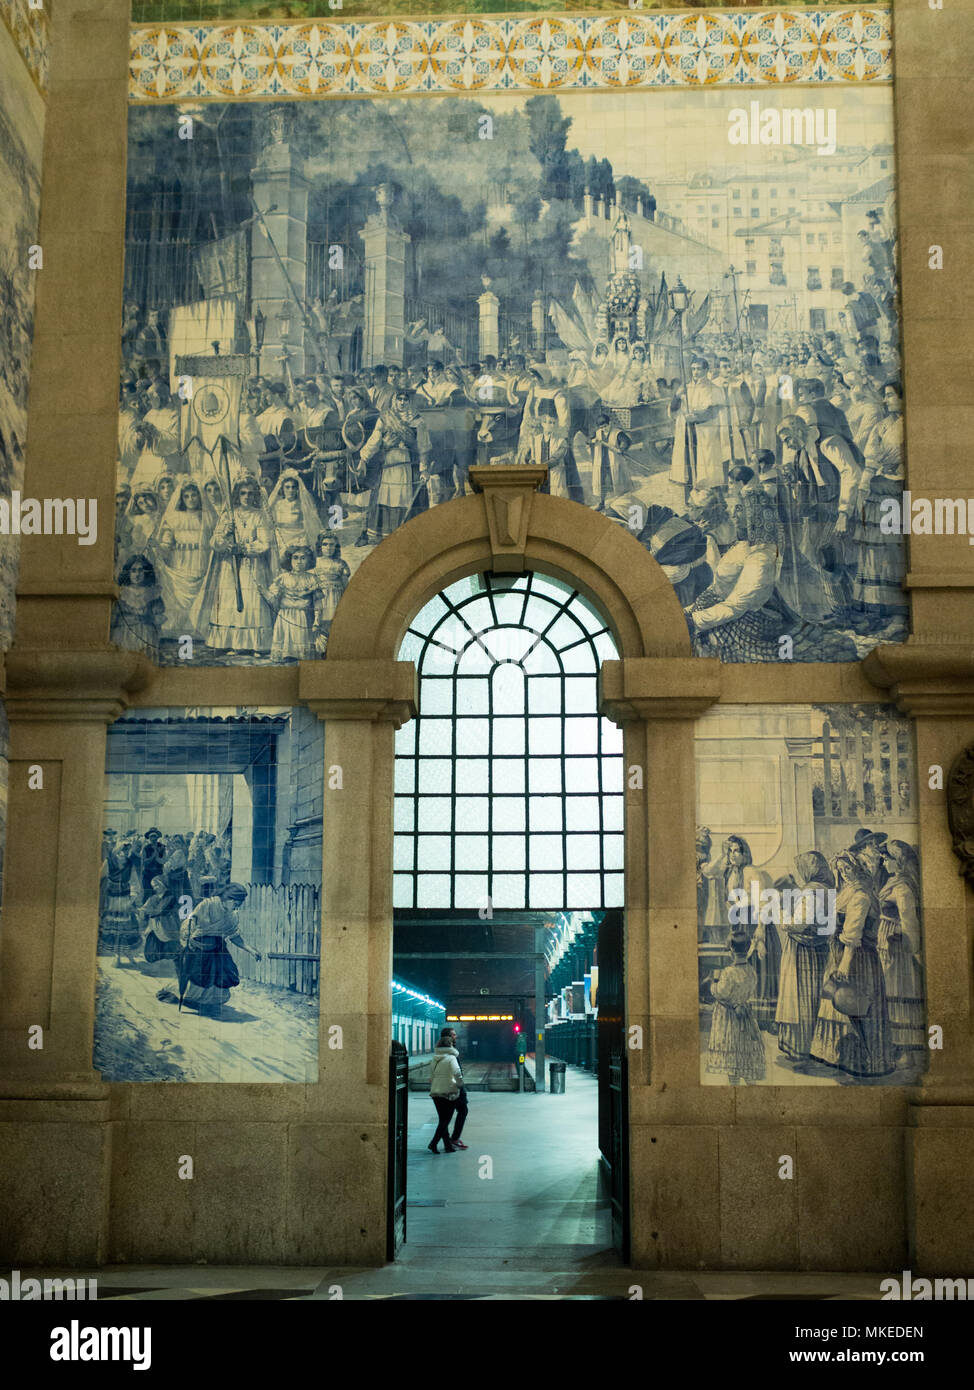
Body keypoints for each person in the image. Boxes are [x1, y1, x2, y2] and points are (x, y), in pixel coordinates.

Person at [167, 882, 262, 1013]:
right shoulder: (208, 904)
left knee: (221, 974)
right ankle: (189, 998)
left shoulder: (231, 916)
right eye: (235, 904)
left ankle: (208, 1003)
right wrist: (189, 939)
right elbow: (191, 921)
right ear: (228, 899)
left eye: (239, 905)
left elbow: (234, 936)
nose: (236, 908)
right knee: (197, 974)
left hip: (217, 947)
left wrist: (251, 950)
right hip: (198, 945)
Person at [705, 934, 765, 1084]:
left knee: (732, 1049)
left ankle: (734, 1083)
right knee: (744, 1051)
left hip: (729, 1018)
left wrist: (712, 984)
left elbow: (721, 992)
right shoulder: (751, 970)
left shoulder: (729, 972)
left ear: (731, 950)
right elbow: (750, 989)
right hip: (745, 1014)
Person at [428, 1027, 463, 1153]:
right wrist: (460, 1084)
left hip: (435, 1093)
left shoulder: (435, 1058)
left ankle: (447, 1145)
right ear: (450, 1045)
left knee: (443, 1120)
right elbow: (457, 1072)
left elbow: (431, 1076)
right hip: (448, 1092)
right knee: (445, 1121)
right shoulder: (451, 1058)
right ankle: (433, 1143)